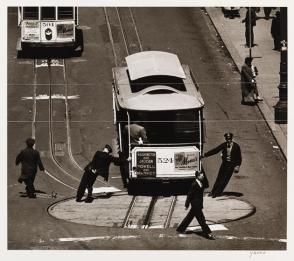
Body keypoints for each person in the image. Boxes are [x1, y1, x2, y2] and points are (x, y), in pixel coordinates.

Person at [176, 172, 215, 240]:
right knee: (201, 220)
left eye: (203, 175)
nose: (203, 176)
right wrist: (187, 204)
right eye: (201, 175)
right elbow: (189, 195)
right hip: (195, 205)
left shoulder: (201, 183)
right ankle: (208, 233)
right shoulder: (194, 184)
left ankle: (180, 229)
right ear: (197, 176)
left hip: (198, 204)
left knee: (189, 217)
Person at [202, 133, 242, 198]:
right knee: (219, 178)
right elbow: (215, 150)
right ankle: (213, 192)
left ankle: (217, 193)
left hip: (231, 165)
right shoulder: (224, 145)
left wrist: (237, 166)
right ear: (225, 139)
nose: (228, 140)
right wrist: (205, 155)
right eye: (227, 139)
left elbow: (239, 158)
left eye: (229, 139)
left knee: (225, 179)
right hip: (224, 164)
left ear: (231, 138)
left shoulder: (236, 146)